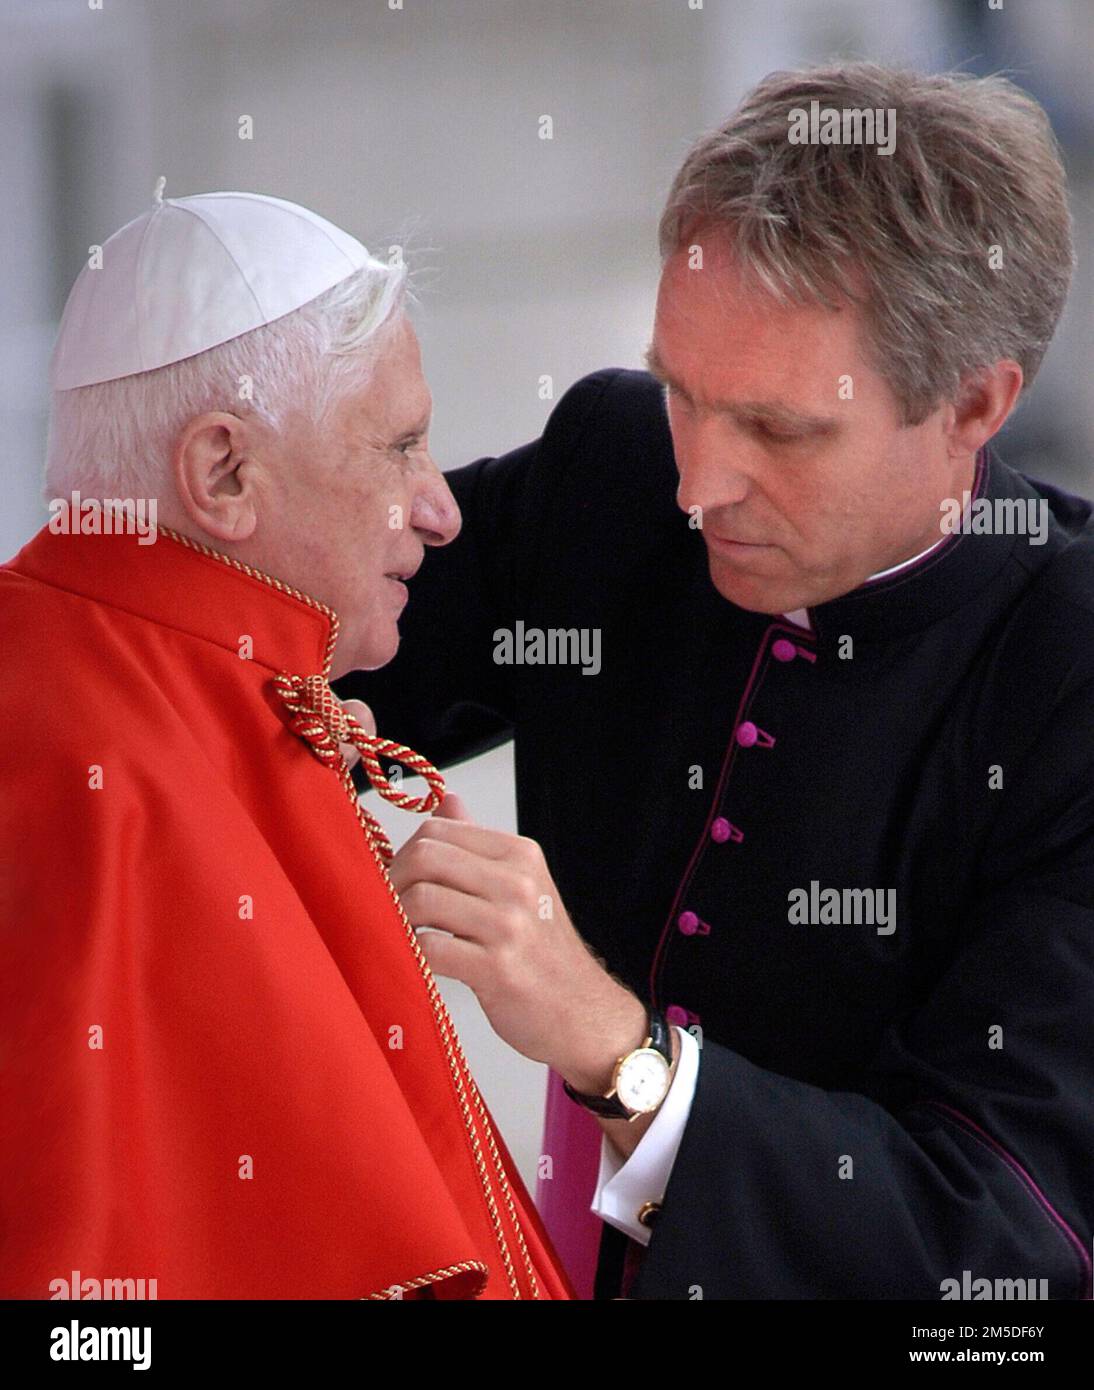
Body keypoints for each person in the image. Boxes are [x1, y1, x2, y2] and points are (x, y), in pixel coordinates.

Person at [343, 63, 1094, 1299]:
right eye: (682, 392)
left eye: (782, 431)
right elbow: (299, 633)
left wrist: (614, 1050)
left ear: (973, 404)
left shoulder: (1063, 668)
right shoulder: (611, 467)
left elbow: (997, 1242)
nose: (698, 488)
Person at [0, 187, 572, 1300]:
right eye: (400, 447)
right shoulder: (76, 761)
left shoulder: (234, 693)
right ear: (221, 474)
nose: (438, 508)